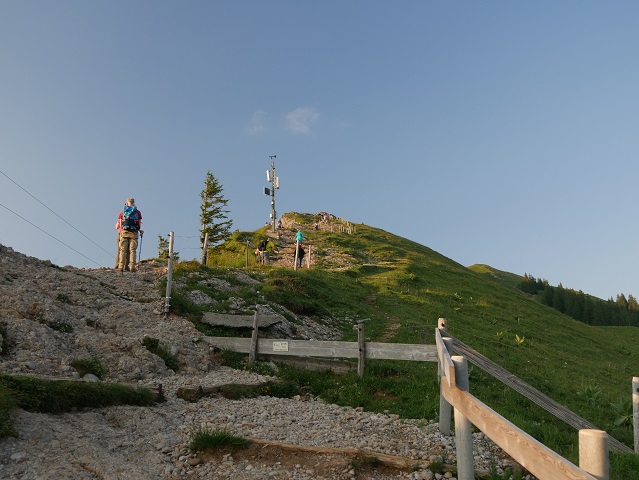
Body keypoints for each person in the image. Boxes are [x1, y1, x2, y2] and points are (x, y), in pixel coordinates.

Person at [116, 198, 143, 272]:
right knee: (132, 250)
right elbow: (139, 223)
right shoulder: (137, 212)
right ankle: (132, 267)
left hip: (124, 232)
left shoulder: (123, 212)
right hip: (134, 233)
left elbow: (119, 224)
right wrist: (139, 230)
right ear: (134, 203)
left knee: (123, 250)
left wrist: (121, 231)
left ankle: (121, 267)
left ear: (126, 203)